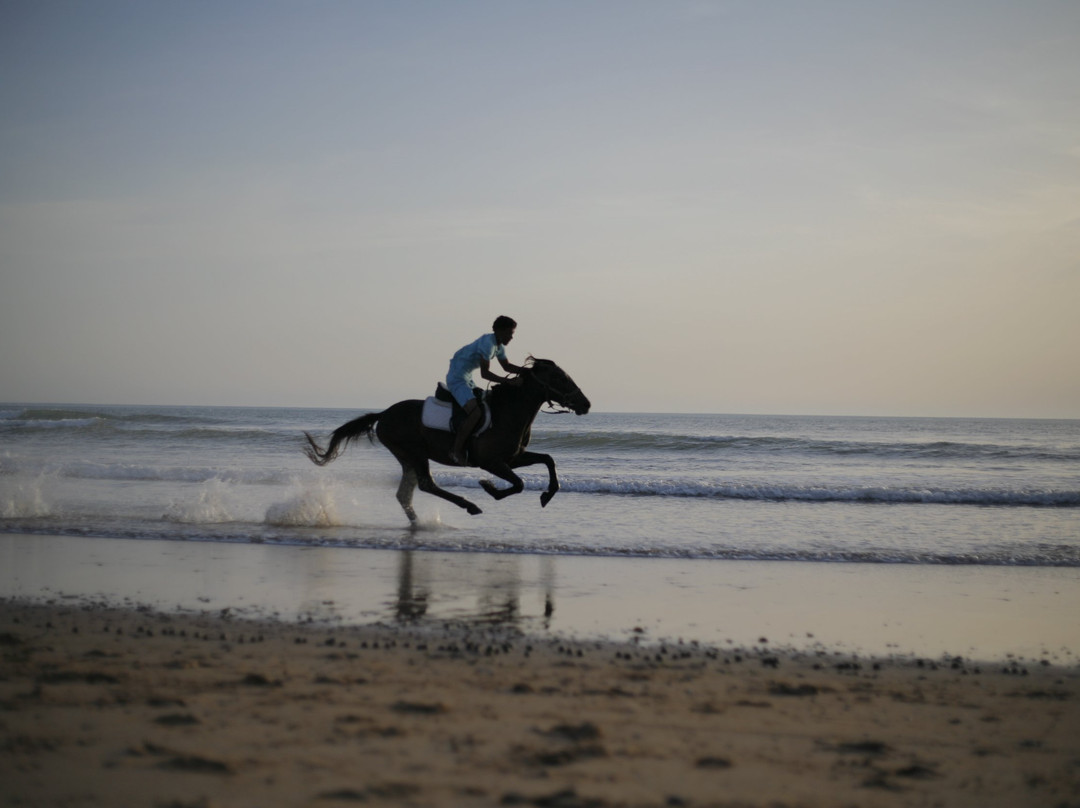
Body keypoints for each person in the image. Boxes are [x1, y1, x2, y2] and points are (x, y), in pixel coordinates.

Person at [446, 316, 524, 465]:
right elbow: (485, 374)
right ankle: (455, 450)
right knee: (475, 412)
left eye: (512, 333)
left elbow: (507, 367)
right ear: (499, 331)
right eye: (509, 333)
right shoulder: (488, 344)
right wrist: (509, 381)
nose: (511, 337)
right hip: (457, 379)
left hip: (467, 378)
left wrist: (528, 371)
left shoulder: (499, 346)